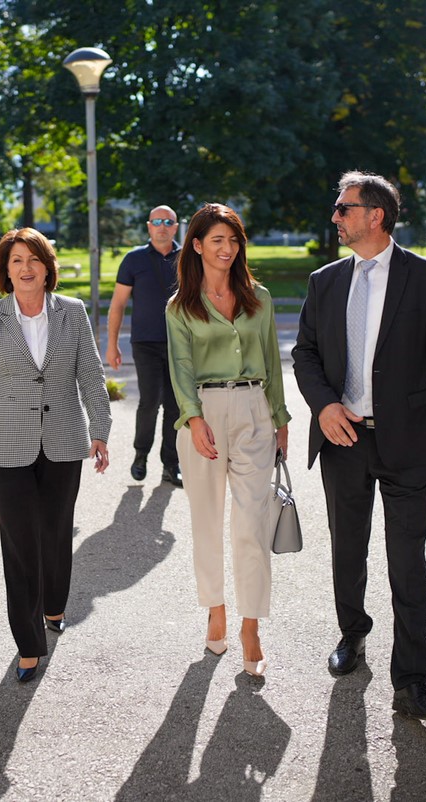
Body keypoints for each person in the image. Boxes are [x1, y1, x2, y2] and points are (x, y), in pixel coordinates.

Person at [293, 171, 426, 721]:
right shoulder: (325, 281)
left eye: (344, 209)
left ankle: (413, 678)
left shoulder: (425, 277)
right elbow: (305, 354)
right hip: (344, 439)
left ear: (375, 216)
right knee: (347, 550)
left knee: (408, 561)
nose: (335, 217)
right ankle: (352, 634)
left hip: (408, 443)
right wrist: (325, 406)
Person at [0, 227, 111, 683]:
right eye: (16, 261)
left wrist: (100, 431)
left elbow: (91, 375)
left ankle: (54, 605)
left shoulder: (72, 312)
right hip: (5, 445)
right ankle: (28, 644)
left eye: (33, 260)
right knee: (20, 543)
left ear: (47, 268)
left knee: (55, 532)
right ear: (5, 271)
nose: (25, 268)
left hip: (64, 440)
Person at [166, 203, 290, 679]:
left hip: (255, 409)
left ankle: (250, 626)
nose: (227, 248)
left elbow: (272, 360)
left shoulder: (259, 297)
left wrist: (280, 417)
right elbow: (180, 367)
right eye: (217, 240)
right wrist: (194, 419)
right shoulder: (180, 307)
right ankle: (215, 608)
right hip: (204, 414)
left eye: (234, 240)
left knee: (252, 523)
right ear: (197, 245)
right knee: (206, 521)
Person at [106, 205, 183, 487]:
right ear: (149, 226)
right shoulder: (133, 259)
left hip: (181, 345)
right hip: (145, 343)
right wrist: (112, 344)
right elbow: (118, 304)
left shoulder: (188, 258)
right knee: (150, 401)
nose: (162, 226)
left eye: (168, 222)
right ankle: (141, 455)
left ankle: (171, 465)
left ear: (176, 227)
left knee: (176, 406)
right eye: (157, 221)